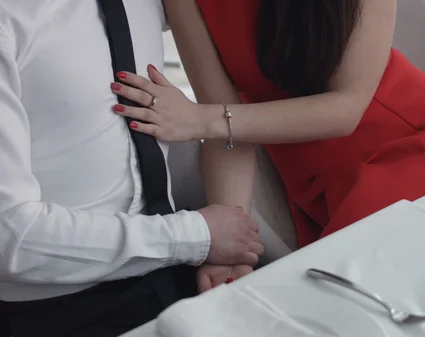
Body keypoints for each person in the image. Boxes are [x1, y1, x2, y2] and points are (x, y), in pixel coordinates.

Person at [112, 0, 425, 248]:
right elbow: (227, 130)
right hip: (319, 184)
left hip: (420, 150)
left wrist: (200, 119)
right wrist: (232, 240)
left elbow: (347, 110)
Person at [0, 1, 262, 336]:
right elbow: (10, 239)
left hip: (187, 268)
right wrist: (196, 235)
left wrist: (222, 243)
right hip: (64, 307)